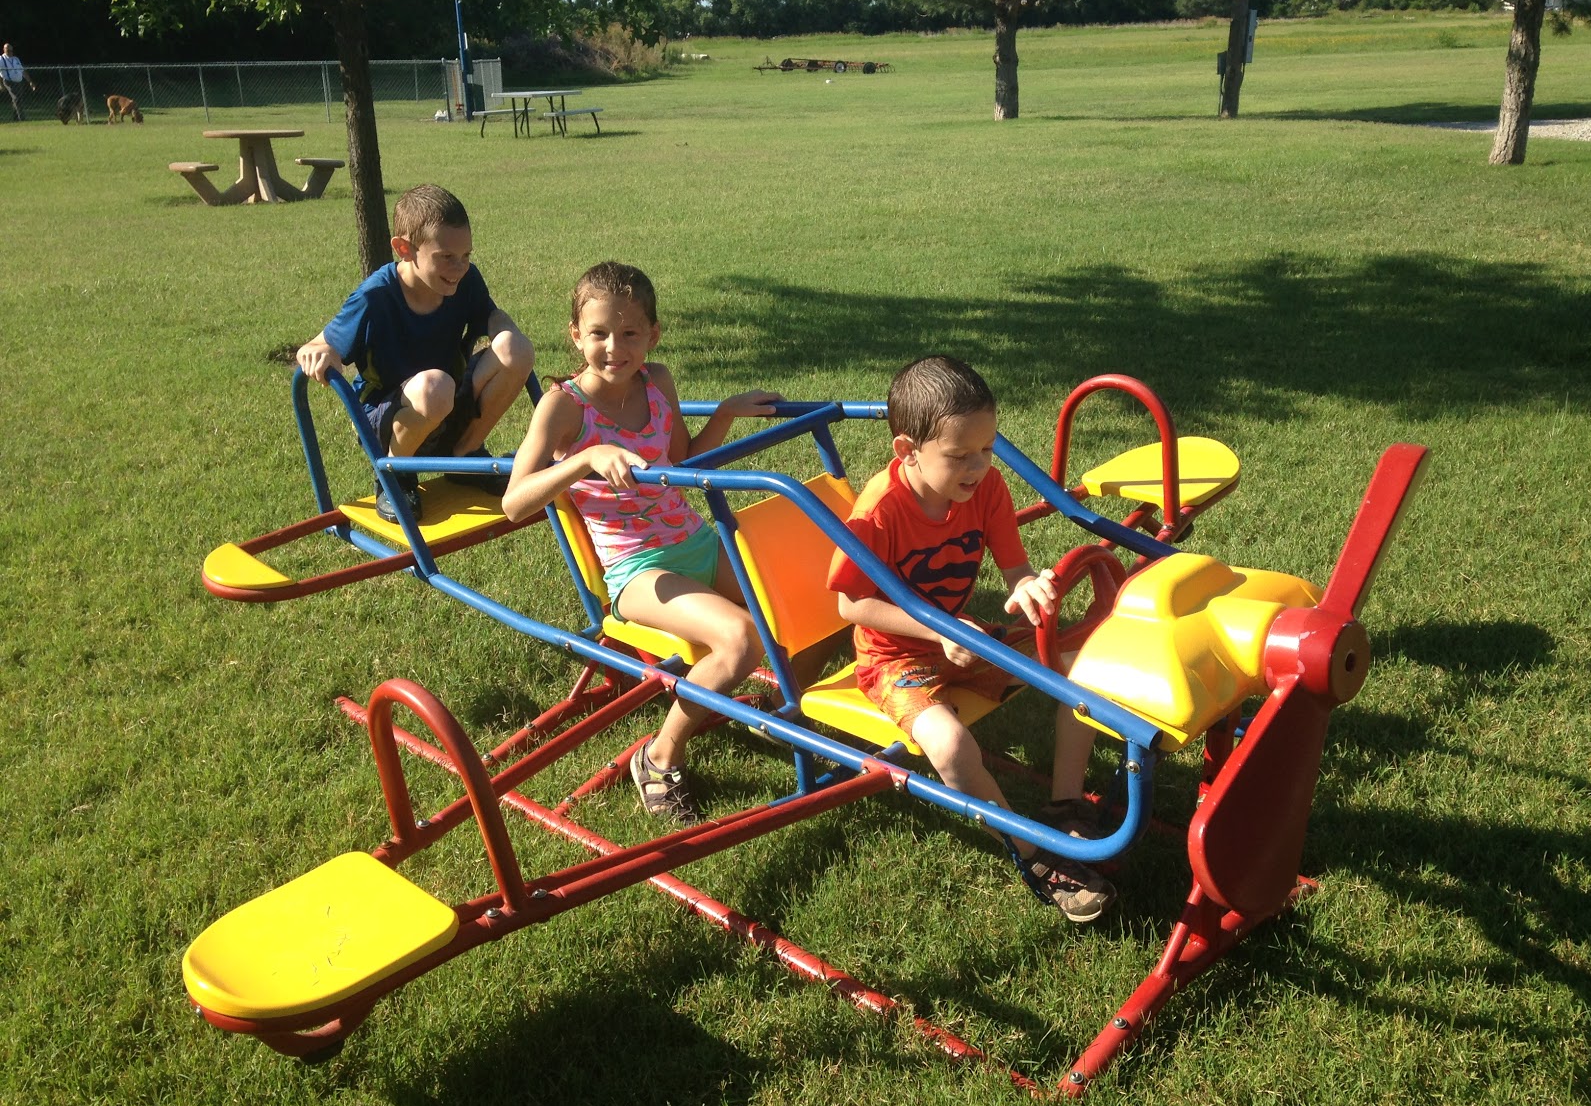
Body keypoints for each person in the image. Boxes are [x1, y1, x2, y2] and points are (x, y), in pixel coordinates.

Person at [825, 355, 1114, 923]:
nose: (979, 466)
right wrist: (940, 628)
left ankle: (1065, 805)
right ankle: (1033, 855)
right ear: (907, 450)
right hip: (894, 659)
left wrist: (1028, 587)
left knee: (1083, 668)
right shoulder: (878, 512)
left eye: (987, 448)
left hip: (966, 640)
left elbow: (1015, 570)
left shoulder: (985, 488)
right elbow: (848, 604)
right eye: (960, 455)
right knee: (952, 746)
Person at [501, 262, 788, 826]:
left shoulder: (657, 381)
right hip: (636, 569)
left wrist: (726, 413)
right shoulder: (563, 406)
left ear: (653, 335)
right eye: (599, 333)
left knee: (795, 598)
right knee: (740, 638)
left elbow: (682, 459)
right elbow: (515, 502)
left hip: (696, 541)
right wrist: (584, 458)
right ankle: (659, 757)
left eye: (630, 333)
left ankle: (778, 711)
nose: (614, 347)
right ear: (576, 335)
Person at [296, 184, 535, 523]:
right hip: (391, 418)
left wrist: (505, 330)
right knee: (435, 387)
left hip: (447, 405)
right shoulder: (375, 296)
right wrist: (315, 352)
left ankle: (466, 454)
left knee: (516, 349)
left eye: (466, 256)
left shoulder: (465, 280)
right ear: (404, 249)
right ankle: (393, 475)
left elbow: (491, 315)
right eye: (446, 257)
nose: (459, 267)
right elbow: (320, 344)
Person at [1, 43, 35, 122]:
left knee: (17, 99)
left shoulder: (16, 59)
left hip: (19, 82)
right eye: (8, 50)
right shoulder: (1, 59)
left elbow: (22, 71)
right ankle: (21, 119)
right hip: (9, 82)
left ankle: (15, 118)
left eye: (11, 50)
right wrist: (1, 84)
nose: (10, 52)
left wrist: (30, 82)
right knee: (17, 98)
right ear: (4, 50)